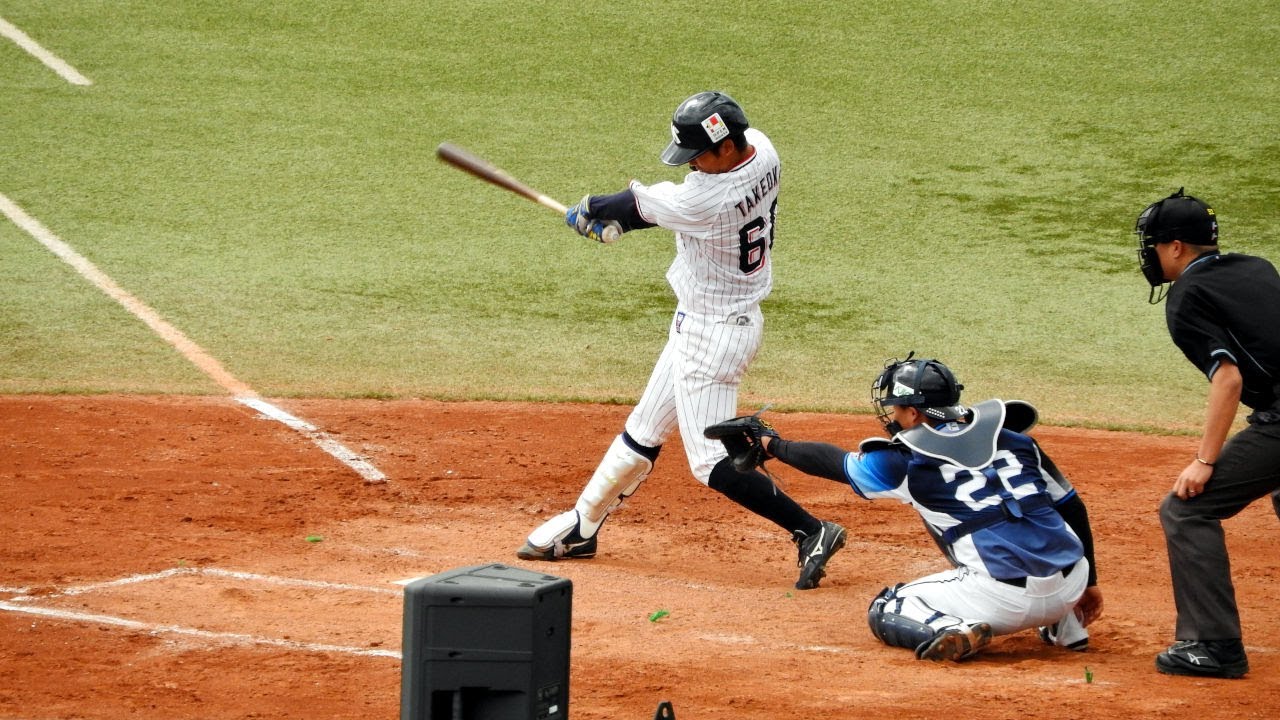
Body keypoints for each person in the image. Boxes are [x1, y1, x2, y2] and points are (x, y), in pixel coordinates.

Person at [516, 91, 846, 590]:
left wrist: (589, 212)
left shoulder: (705, 200)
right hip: (707, 322)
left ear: (726, 147)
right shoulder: (762, 150)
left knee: (711, 462)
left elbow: (633, 205)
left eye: (697, 155)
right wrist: (612, 219)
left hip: (714, 335)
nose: (691, 163)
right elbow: (642, 211)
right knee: (645, 427)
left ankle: (811, 530)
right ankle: (583, 526)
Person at [708, 355, 1102, 661]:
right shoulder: (1017, 441)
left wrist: (772, 445)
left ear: (914, 413)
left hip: (1003, 603)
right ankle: (1067, 628)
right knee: (1022, 519)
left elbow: (836, 464)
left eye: (896, 409)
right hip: (1072, 584)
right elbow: (1073, 507)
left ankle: (955, 628)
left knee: (889, 606)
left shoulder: (907, 462)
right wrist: (1090, 583)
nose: (892, 417)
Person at [1134, 187, 1280, 679]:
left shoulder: (1187, 295)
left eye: (1154, 245)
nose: (1151, 255)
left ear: (1175, 247)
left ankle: (1214, 646)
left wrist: (1204, 460)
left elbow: (1229, 380)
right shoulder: (1256, 267)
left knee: (1186, 509)